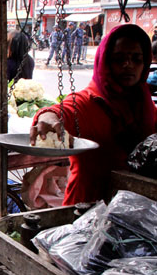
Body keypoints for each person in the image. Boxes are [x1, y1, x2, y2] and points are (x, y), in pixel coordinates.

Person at [30, 24, 157, 206]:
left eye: (136, 59)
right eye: (119, 58)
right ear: (105, 61)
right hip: (86, 209)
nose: (128, 65)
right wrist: (48, 119)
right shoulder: (89, 101)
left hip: (136, 209)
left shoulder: (144, 104)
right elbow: (61, 111)